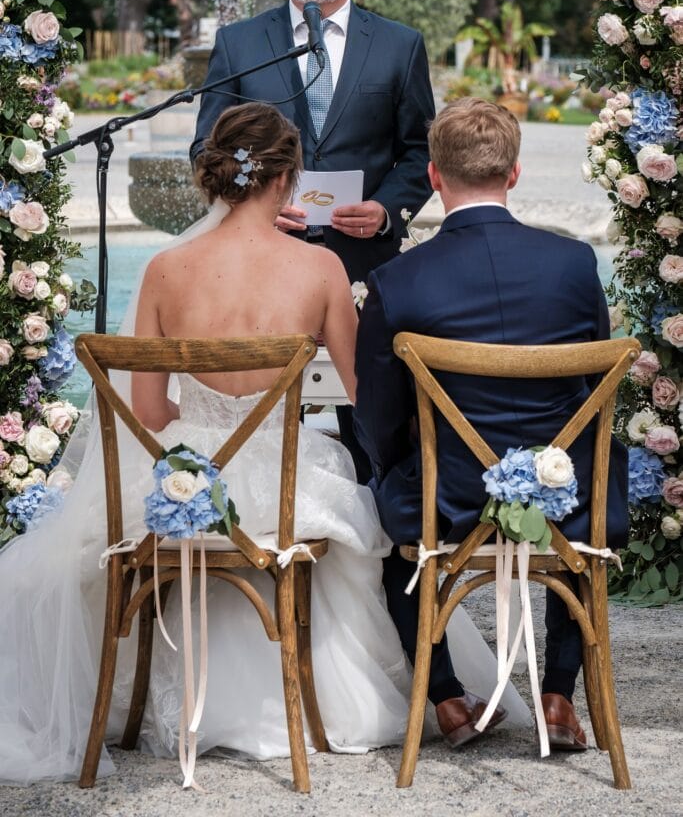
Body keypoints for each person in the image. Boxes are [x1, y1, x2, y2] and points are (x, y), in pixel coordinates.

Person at [0, 102, 529, 786]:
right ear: (288, 179)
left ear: (219, 176)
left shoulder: (165, 269)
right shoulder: (319, 271)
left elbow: (151, 411)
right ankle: (362, 693)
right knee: (357, 513)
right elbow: (364, 400)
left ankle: (152, 697)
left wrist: (204, 446)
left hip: (180, 477)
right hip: (282, 481)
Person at [354, 97, 629, 752]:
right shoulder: (571, 266)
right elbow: (588, 389)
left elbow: (377, 415)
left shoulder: (397, 279)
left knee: (379, 498)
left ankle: (447, 700)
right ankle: (557, 695)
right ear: (513, 174)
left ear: (431, 177)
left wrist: (399, 466)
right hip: (564, 500)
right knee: (591, 470)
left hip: (447, 503)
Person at [190, 0, 435, 481]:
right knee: (256, 438)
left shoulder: (400, 46)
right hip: (256, 275)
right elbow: (204, 149)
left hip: (363, 273)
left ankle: (371, 543)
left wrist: (384, 211)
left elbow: (420, 151)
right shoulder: (240, 44)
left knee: (371, 436)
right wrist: (253, 208)